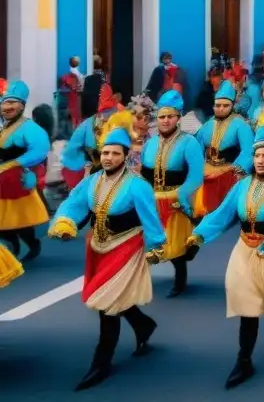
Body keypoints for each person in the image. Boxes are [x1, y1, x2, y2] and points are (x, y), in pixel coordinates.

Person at [187, 125, 264, 388]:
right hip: (244, 249)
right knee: (247, 302)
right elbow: (223, 215)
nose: (259, 160)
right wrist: (198, 236)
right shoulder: (242, 185)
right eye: (257, 156)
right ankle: (244, 361)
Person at [48, 127, 166, 391]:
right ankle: (143, 325)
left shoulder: (137, 185)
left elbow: (151, 219)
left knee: (107, 304)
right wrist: (65, 224)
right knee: (114, 298)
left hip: (127, 244)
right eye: (105, 153)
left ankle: (101, 363)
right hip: (98, 245)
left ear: (125, 156)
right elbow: (73, 204)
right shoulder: (92, 180)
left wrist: (156, 246)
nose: (109, 157)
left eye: (115, 153)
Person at [139, 89, 204, 297]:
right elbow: (142, 174)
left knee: (174, 246)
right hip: (152, 199)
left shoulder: (189, 142)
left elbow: (195, 176)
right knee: (147, 243)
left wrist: (182, 195)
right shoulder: (149, 143)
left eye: (170, 116)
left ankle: (180, 280)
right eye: (162, 117)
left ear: (178, 117)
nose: (165, 121)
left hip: (176, 199)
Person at [0, 80, 51, 261]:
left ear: (22, 106)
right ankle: (12, 245)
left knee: (20, 220)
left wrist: (15, 164)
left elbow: (40, 150)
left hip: (16, 181)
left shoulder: (30, 128)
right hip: (2, 179)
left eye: (12, 103)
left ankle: (30, 245)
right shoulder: (3, 128)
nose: (7, 107)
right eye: (5, 103)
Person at [193, 80, 253, 220]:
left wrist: (234, 169)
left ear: (232, 106)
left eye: (225, 106)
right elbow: (197, 149)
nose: (220, 109)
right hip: (208, 168)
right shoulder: (207, 125)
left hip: (229, 169)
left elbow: (248, 151)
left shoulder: (241, 125)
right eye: (217, 105)